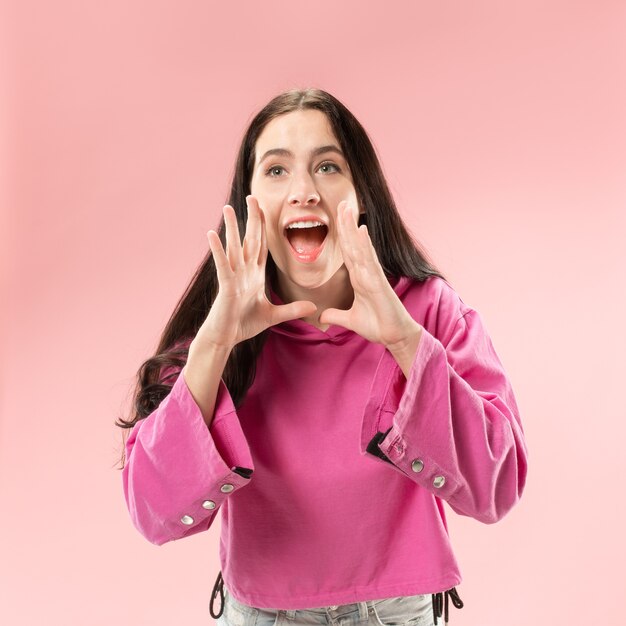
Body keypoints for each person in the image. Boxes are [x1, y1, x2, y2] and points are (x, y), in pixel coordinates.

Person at [116, 88, 528, 626]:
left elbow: (498, 487)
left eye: (328, 166)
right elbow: (153, 511)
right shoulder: (216, 332)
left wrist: (405, 340)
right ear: (248, 203)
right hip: (260, 614)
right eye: (277, 171)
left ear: (362, 191)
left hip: (399, 614)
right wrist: (213, 345)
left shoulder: (429, 312)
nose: (304, 191)